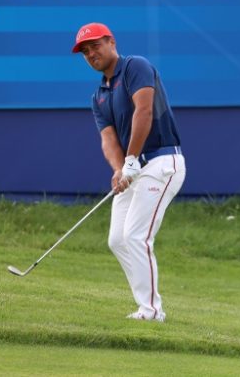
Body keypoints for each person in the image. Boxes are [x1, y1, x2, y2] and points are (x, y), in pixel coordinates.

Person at [73, 22, 186, 322]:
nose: (91, 54)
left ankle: (151, 311)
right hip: (134, 167)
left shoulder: (135, 66)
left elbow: (144, 111)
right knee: (117, 240)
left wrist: (132, 159)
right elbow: (108, 138)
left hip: (162, 162)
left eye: (95, 45)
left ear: (111, 42)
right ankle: (146, 305)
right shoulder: (98, 95)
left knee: (136, 236)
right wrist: (119, 168)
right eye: (85, 51)